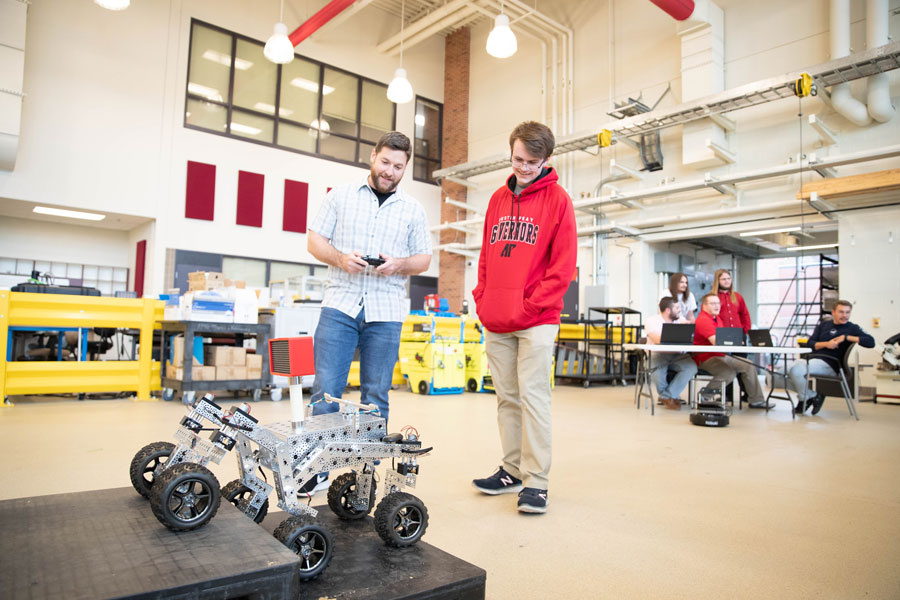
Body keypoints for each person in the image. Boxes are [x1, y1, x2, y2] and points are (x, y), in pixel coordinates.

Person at [304, 131, 432, 493]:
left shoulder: (413, 210)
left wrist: (400, 264)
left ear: (405, 168)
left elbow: (423, 258)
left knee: (376, 394)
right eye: (385, 162)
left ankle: (364, 471)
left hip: (386, 311)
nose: (390, 171)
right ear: (373, 156)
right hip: (340, 305)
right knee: (326, 389)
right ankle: (319, 467)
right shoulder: (340, 196)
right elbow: (315, 240)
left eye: (398, 166)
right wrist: (340, 258)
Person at [471, 121, 577, 515]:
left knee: (534, 399)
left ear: (546, 160)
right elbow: (486, 256)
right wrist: (482, 299)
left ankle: (537, 482)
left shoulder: (559, 201)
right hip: (496, 317)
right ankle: (511, 469)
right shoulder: (498, 199)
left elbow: (563, 266)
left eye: (533, 161)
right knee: (507, 399)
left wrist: (531, 305)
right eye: (518, 159)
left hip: (537, 319)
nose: (524, 167)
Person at [788, 300, 875, 415]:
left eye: (847, 312)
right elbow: (810, 343)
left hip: (831, 364)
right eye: (841, 312)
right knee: (776, 376)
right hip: (812, 360)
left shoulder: (852, 328)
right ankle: (811, 396)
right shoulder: (823, 325)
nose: (845, 315)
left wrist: (846, 337)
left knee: (796, 370)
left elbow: (870, 342)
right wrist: (826, 344)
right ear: (833, 312)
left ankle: (804, 398)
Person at [693, 293, 770, 408]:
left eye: (718, 303)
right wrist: (737, 342)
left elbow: (725, 338)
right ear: (704, 306)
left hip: (721, 355)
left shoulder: (717, 318)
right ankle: (705, 397)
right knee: (728, 372)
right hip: (705, 358)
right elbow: (717, 341)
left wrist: (736, 341)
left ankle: (756, 400)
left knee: (748, 364)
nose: (716, 306)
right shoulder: (703, 320)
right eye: (712, 303)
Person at [644, 297, 698, 409]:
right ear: (668, 310)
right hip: (657, 353)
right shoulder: (651, 320)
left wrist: (688, 327)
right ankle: (669, 397)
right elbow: (657, 340)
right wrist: (680, 334)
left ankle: (667, 396)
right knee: (657, 372)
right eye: (677, 307)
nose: (680, 310)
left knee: (691, 367)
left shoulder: (680, 320)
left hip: (678, 355)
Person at [713, 269, 751, 333]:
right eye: (724, 279)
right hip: (721, 333)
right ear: (717, 281)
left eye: (729, 278)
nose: (727, 281)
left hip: (738, 333)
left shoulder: (738, 296)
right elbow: (708, 317)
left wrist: (746, 330)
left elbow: (745, 314)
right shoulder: (712, 297)